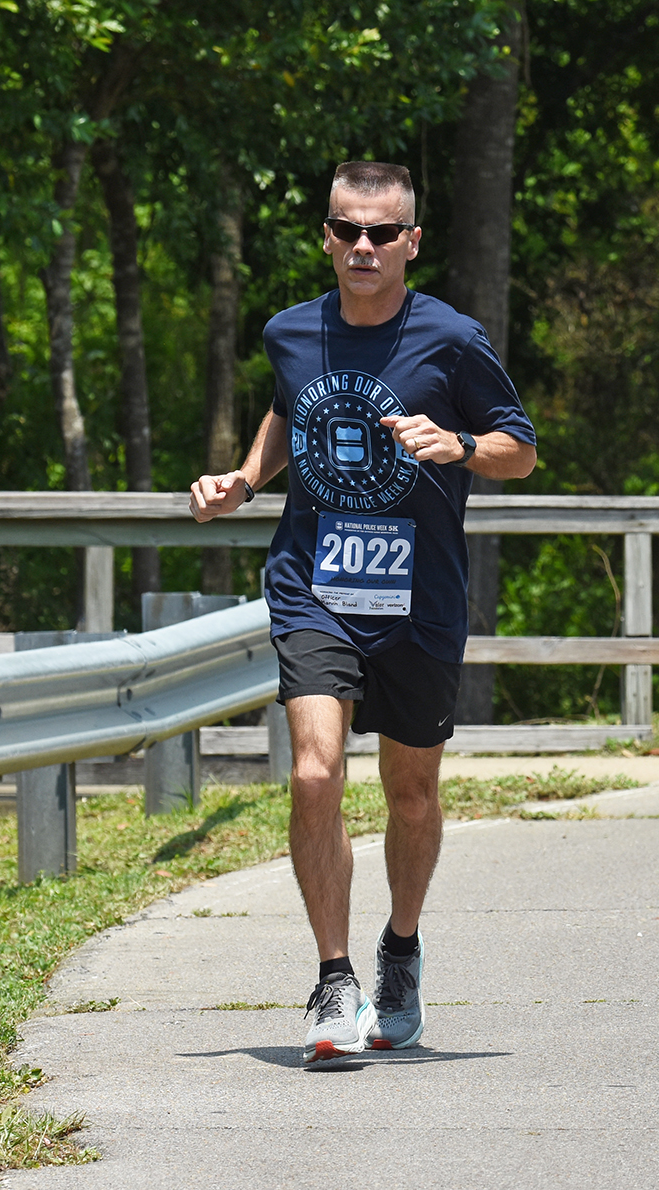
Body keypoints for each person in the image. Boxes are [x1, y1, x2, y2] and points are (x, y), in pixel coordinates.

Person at [189, 160, 536, 1065]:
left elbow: (520, 447)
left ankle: (402, 950)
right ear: (329, 236)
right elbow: (283, 409)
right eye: (348, 230)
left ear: (412, 241)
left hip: (420, 601)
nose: (365, 247)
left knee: (411, 794)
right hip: (315, 588)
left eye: (383, 232)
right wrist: (243, 478)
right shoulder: (291, 332)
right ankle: (334, 979)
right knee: (314, 773)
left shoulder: (452, 339)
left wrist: (458, 443)